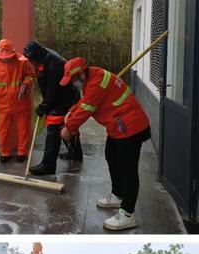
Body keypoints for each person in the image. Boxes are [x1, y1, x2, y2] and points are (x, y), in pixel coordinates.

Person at [59, 57, 151, 231]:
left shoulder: (96, 83)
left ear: (81, 74)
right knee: (111, 155)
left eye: (73, 80)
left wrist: (69, 129)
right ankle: (118, 195)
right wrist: (71, 111)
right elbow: (85, 101)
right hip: (119, 126)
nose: (72, 83)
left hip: (131, 127)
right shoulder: (93, 75)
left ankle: (127, 213)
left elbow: (86, 109)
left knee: (128, 169)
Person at [22, 41, 83, 175]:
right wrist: (45, 105)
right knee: (66, 125)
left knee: (54, 128)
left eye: (31, 60)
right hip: (62, 94)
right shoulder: (43, 58)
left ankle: (48, 165)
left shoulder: (54, 67)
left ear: (37, 57)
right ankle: (75, 154)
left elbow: (52, 93)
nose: (30, 63)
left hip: (67, 97)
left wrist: (43, 107)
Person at [0, 39, 35, 163]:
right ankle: (5, 152)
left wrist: (26, 84)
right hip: (3, 104)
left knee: (23, 128)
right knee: (3, 130)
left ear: (12, 53)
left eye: (8, 57)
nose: (5, 59)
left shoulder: (22, 62)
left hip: (21, 104)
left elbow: (31, 75)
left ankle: (22, 152)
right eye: (3, 57)